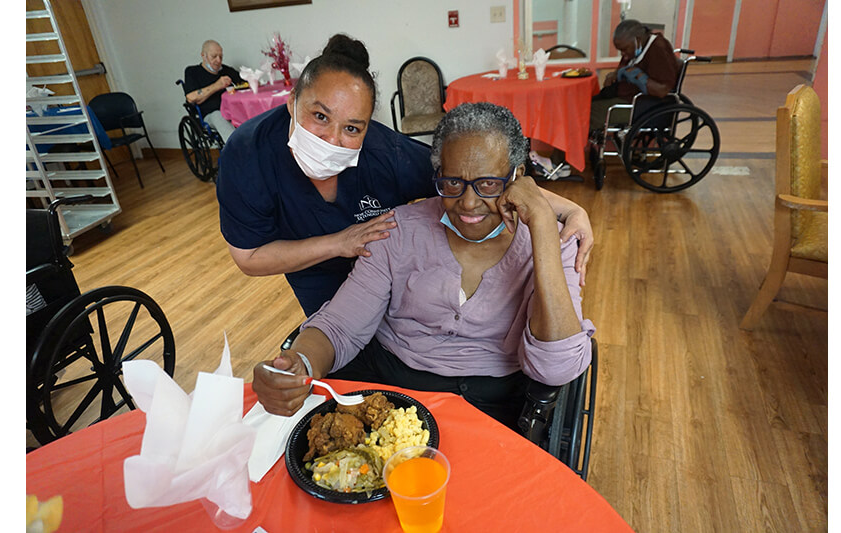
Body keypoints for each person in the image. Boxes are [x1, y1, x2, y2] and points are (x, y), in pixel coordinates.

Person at [252, 102, 595, 430]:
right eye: (452, 183)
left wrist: (543, 230)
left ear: (518, 176)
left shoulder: (555, 242)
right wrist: (301, 364)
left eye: (489, 183)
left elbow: (556, 367)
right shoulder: (398, 230)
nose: (469, 202)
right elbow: (341, 325)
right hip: (392, 394)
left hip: (491, 407)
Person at [216, 34, 595, 318]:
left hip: (389, 272)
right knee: (337, 342)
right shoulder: (248, 155)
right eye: (319, 117)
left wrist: (568, 209)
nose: (333, 139)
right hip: (311, 270)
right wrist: (338, 243)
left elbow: (474, 181)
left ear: (368, 126)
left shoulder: (386, 154)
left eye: (352, 128)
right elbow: (249, 258)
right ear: (291, 100)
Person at [589, 19, 679, 132]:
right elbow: (625, 68)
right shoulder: (637, 48)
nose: (624, 55)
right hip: (625, 99)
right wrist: (615, 74)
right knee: (584, 104)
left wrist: (640, 78)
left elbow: (663, 90)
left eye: (624, 50)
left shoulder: (657, 48)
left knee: (585, 115)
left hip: (642, 107)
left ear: (638, 40)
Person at [183, 40, 243, 144]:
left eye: (221, 56)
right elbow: (191, 97)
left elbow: (245, 84)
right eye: (214, 56)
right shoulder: (192, 72)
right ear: (203, 56)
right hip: (211, 114)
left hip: (232, 111)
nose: (218, 60)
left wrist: (254, 79)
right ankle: (236, 149)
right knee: (218, 116)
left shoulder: (227, 71)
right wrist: (217, 85)